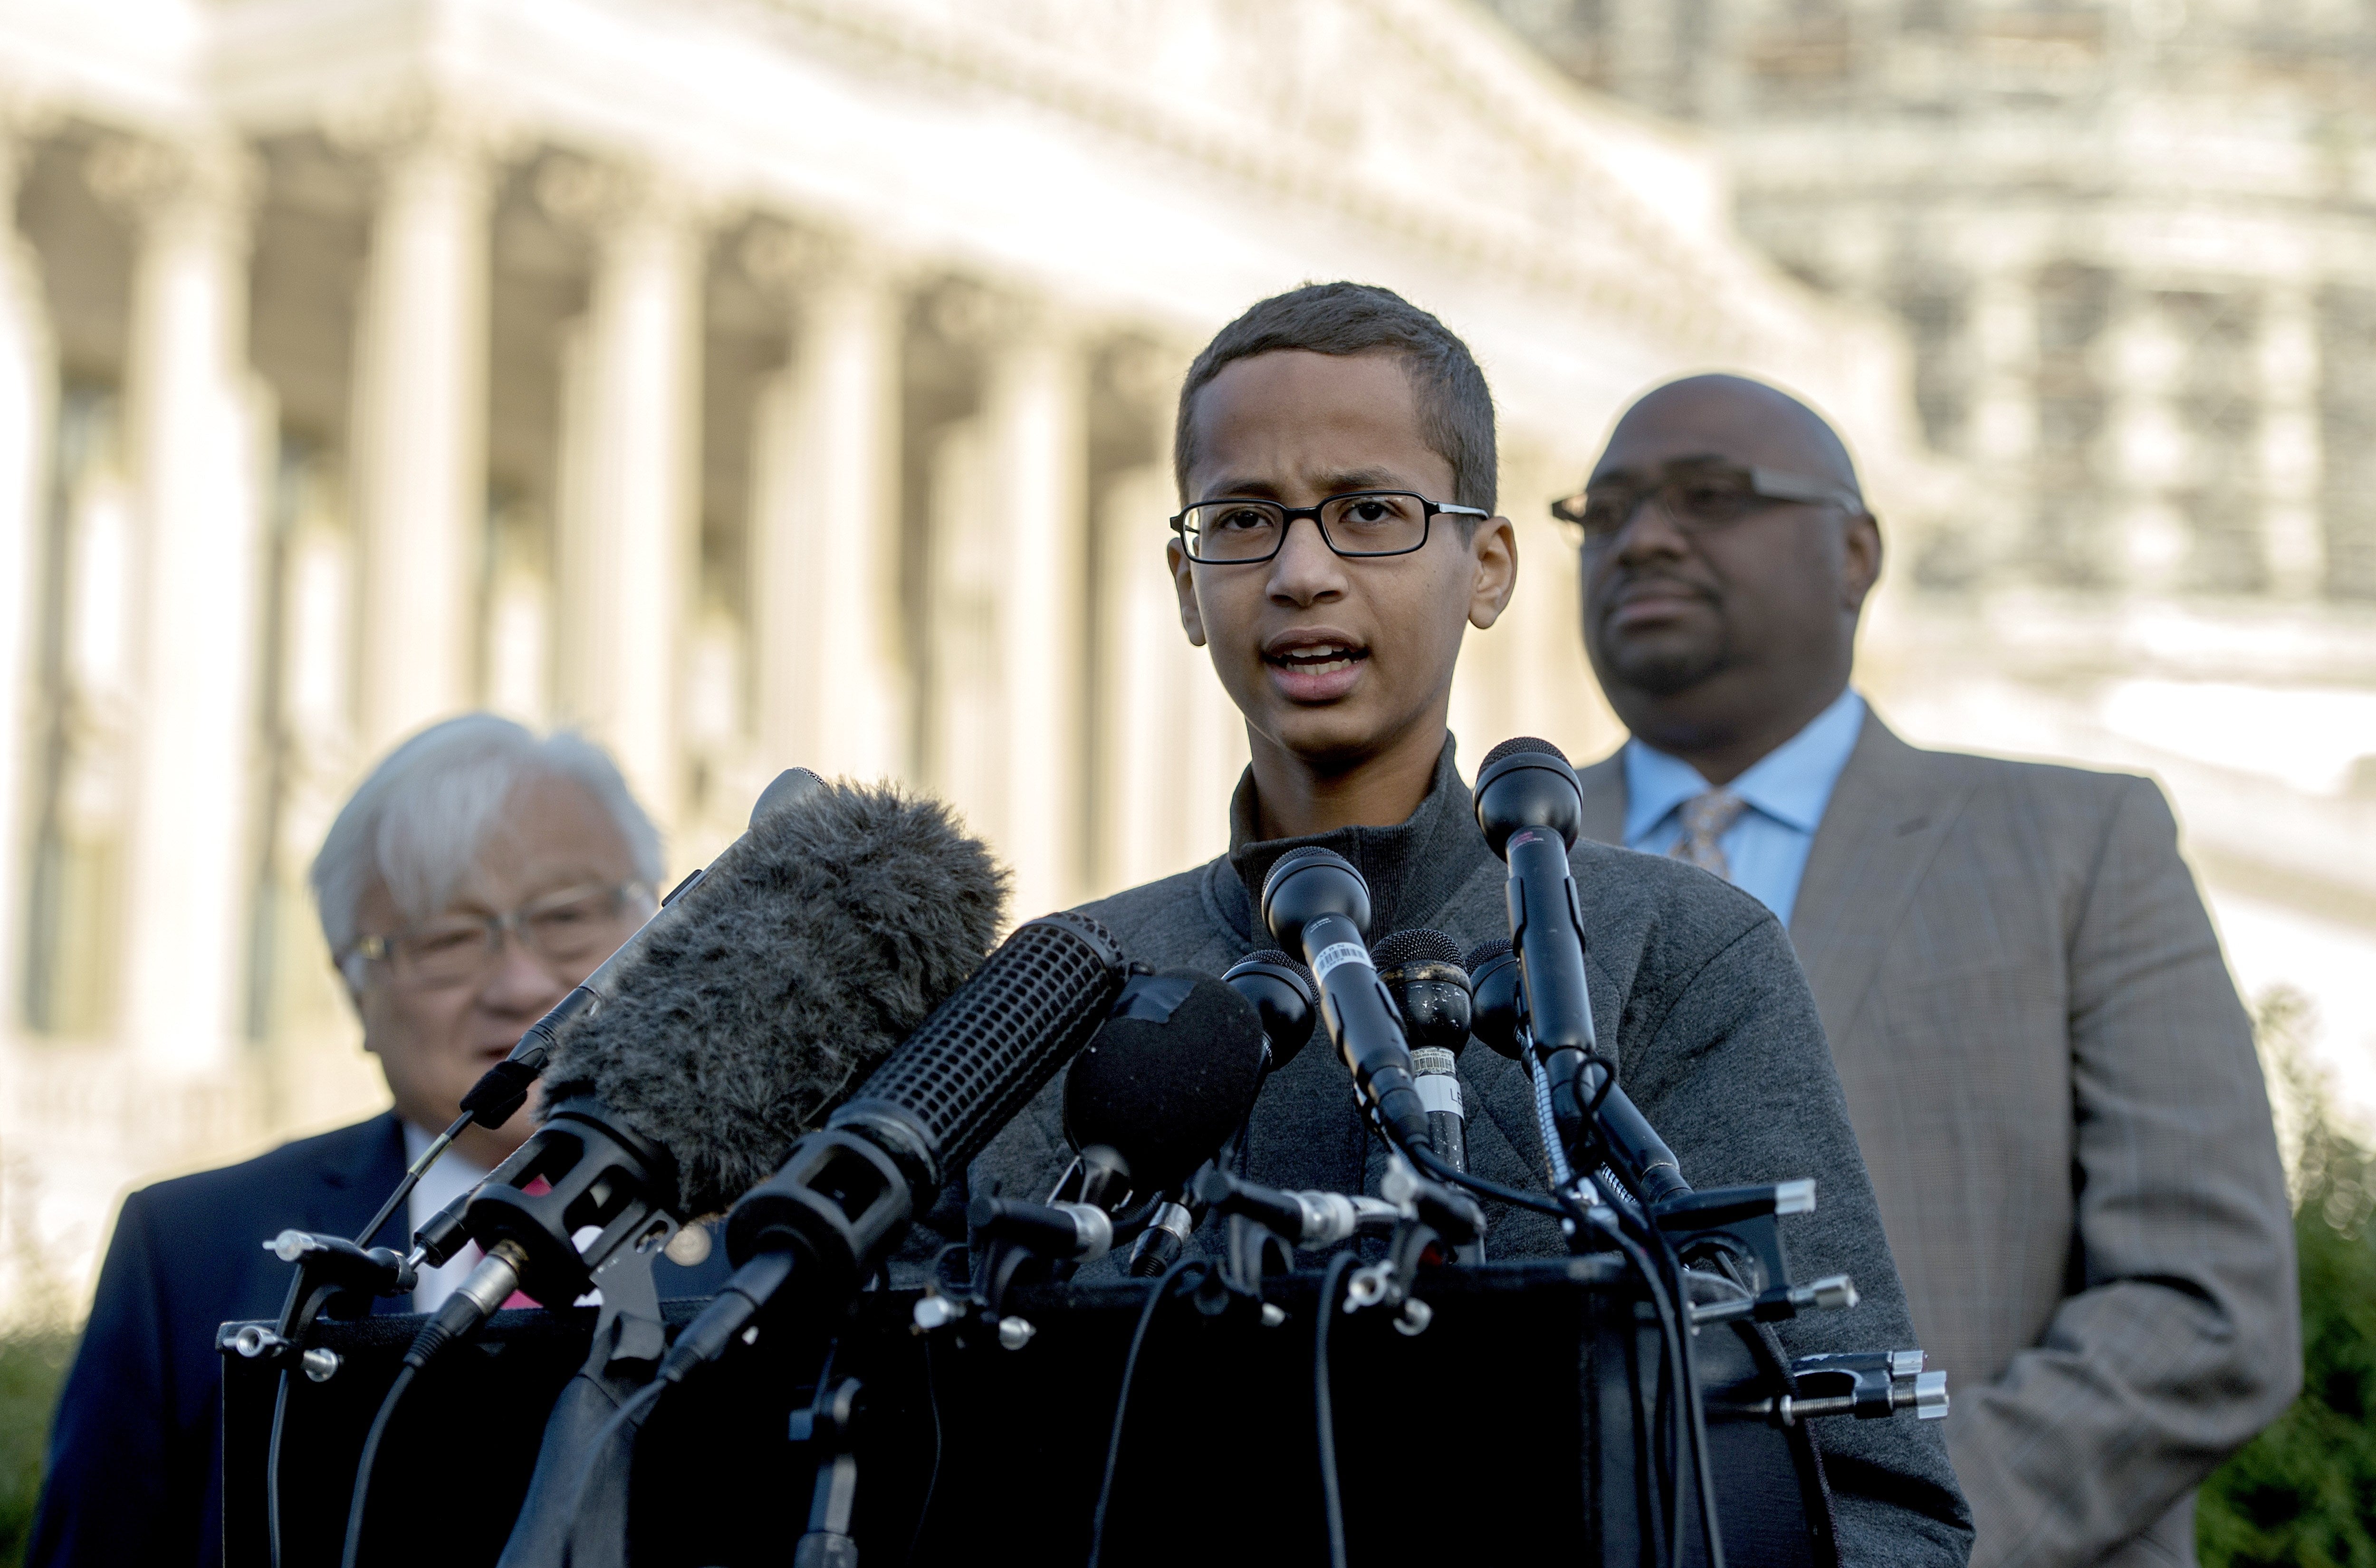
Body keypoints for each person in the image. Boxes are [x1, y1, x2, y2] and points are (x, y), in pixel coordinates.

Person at [966, 284, 1973, 1561]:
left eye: (1371, 512)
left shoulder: (1671, 948)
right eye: (1242, 520)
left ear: (1487, 566)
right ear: (1184, 581)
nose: (1303, 572)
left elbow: (1876, 1503)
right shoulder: (1059, 992)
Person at [1562, 373, 2301, 1567]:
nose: (1644, 537)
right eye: (1604, 513)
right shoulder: (1485, 877)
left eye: (1710, 496)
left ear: (1855, 553)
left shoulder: (2076, 848)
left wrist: (1884, 1536)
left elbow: (2206, 1308)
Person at [32, 714, 726, 1568]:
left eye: (569, 916)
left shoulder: (795, 1223)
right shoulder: (186, 1254)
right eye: (447, 938)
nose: (519, 986)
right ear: (355, 991)